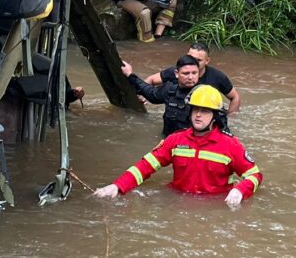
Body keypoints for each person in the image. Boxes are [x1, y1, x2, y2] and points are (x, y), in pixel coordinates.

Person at [94, 85, 262, 207]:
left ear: (215, 116)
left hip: (215, 206)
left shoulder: (230, 145)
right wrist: (117, 186)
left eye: (204, 111)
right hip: (177, 202)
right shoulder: (175, 140)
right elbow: (144, 166)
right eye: (195, 109)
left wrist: (240, 190)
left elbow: (255, 175)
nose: (198, 115)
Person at [144, 42, 241, 115]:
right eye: (190, 57)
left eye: (198, 60)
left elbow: (235, 97)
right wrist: (143, 97)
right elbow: (151, 80)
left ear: (207, 61)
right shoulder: (176, 72)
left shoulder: (217, 77)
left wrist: (231, 118)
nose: (193, 62)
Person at [122, 56, 199, 136]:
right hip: (168, 140)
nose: (191, 77)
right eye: (186, 73)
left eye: (194, 73)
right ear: (176, 74)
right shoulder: (170, 90)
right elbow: (150, 92)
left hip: (190, 143)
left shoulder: (205, 94)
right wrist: (130, 75)